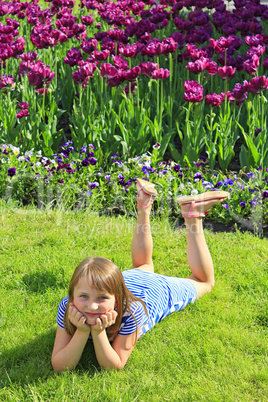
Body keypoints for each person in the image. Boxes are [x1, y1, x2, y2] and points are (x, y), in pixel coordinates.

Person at [51, 179, 229, 371]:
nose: (92, 305)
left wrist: (99, 332)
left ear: (117, 299)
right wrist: (82, 331)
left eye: (102, 298)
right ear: (72, 295)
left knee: (205, 282)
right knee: (143, 264)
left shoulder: (133, 312)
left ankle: (193, 216)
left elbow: (114, 365)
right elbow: (60, 366)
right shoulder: (67, 306)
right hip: (128, 279)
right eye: (84, 296)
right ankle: (144, 202)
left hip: (157, 289)